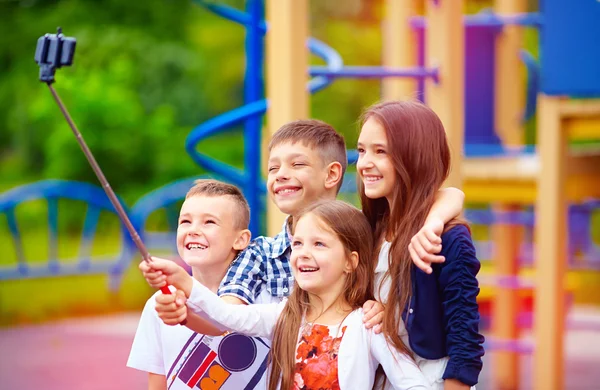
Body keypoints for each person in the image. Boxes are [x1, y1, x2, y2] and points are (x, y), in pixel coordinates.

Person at [143, 119, 466, 335]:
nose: (281, 174)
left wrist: (434, 221)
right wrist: (187, 313)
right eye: (273, 168)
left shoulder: (366, 234)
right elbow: (228, 318)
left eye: (297, 164)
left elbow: (450, 194)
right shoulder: (260, 254)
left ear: (332, 174)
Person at [142, 200, 431, 390]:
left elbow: (413, 383)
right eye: (298, 244)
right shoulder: (286, 315)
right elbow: (229, 316)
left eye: (319, 244)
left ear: (350, 261)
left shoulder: (367, 324)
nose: (304, 253)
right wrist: (184, 281)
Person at [355, 101, 485, 389]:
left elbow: (464, 340)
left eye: (380, 151)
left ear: (413, 156)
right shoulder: (370, 229)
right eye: (362, 150)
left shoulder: (445, 240)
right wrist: (371, 307)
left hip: (431, 379)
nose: (364, 163)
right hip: (384, 376)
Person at [127, 180, 277, 390]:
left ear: (241, 239)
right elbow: (157, 382)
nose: (193, 230)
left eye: (209, 222)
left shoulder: (267, 296)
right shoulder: (159, 306)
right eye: (185, 222)